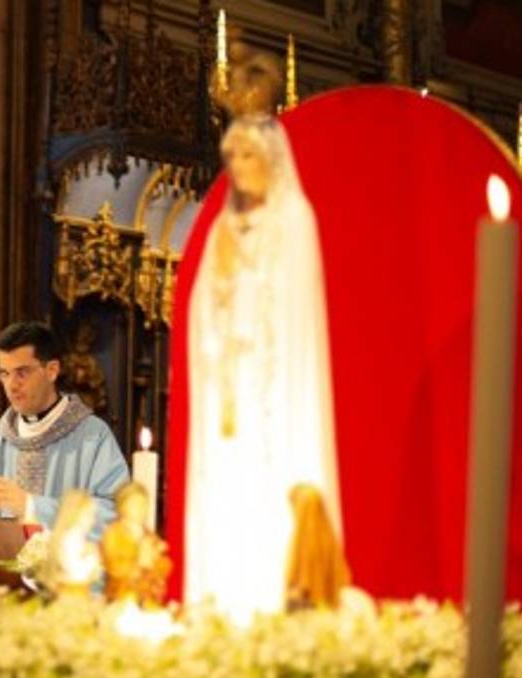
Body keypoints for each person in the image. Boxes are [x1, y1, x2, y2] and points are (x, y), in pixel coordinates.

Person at [182, 45, 341, 624]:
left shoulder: (294, 223)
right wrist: (219, 345)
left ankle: (276, 603)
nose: (238, 165)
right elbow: (202, 310)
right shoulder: (224, 230)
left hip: (276, 391)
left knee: (270, 495)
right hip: (229, 392)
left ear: (270, 158)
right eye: (232, 155)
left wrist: (255, 342)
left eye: (248, 154)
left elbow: (296, 316)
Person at [0, 321, 128, 539]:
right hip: (1, 573)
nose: (11, 385)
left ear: (52, 370)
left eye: (22, 372)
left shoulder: (93, 436)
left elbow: (117, 517)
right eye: (5, 373)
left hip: (65, 572)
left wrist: (32, 506)